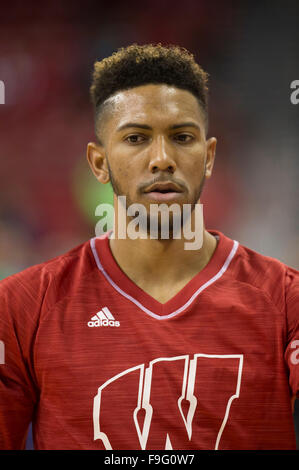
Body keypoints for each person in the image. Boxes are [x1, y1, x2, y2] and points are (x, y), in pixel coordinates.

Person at [0, 44, 298, 450]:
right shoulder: (22, 307)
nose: (162, 158)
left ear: (209, 157)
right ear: (99, 162)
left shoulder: (285, 300)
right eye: (137, 138)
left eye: (182, 137)